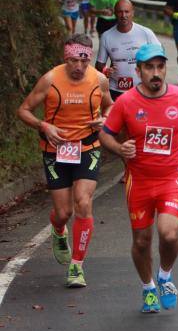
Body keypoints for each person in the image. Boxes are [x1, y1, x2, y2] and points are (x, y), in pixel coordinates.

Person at [99, 44, 178, 313]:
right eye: (149, 67)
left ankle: (165, 276)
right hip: (139, 181)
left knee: (169, 235)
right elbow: (105, 133)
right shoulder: (125, 102)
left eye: (160, 67)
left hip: (171, 178)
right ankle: (148, 288)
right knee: (142, 241)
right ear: (138, 71)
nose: (156, 73)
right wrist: (118, 148)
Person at [16, 34, 113, 288]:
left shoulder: (99, 79)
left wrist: (105, 119)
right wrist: (43, 125)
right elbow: (23, 110)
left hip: (88, 147)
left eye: (83, 60)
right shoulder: (50, 79)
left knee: (83, 202)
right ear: (65, 58)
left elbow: (110, 107)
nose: (78, 66)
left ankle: (76, 266)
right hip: (55, 149)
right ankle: (58, 230)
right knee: (63, 212)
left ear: (89, 58)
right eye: (73, 60)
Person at [95, 0, 161, 101]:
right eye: (120, 12)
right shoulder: (106, 36)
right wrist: (105, 70)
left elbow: (160, 56)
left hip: (142, 88)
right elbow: (99, 65)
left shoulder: (146, 33)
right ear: (115, 13)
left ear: (133, 13)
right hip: (116, 89)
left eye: (127, 11)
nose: (123, 15)